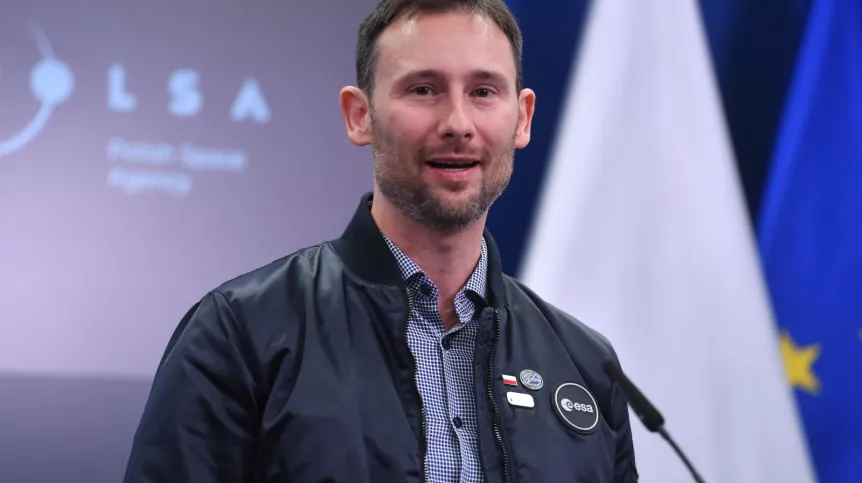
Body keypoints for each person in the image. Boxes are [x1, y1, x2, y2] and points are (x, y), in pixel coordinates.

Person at [122, 0, 638, 481]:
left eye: (483, 91)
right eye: (423, 89)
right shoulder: (239, 334)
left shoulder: (586, 364)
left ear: (521, 118)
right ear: (359, 115)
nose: (458, 123)